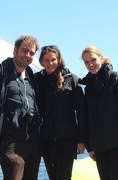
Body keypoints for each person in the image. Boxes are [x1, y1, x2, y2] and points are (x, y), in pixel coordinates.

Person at [0, 35, 41, 180]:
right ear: (15, 50)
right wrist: (2, 120)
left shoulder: (31, 75)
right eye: (24, 51)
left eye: (31, 53)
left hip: (32, 141)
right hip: (9, 142)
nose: (28, 55)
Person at [80, 45, 118, 180]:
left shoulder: (117, 78)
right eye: (86, 62)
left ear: (101, 58)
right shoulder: (89, 87)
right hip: (100, 148)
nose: (90, 64)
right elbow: (89, 118)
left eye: (93, 60)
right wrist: (90, 147)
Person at [35, 45, 87, 180]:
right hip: (46, 140)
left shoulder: (71, 79)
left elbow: (82, 112)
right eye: (46, 60)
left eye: (53, 59)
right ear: (41, 61)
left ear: (59, 60)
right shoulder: (36, 80)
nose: (50, 63)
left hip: (67, 141)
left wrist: (81, 140)